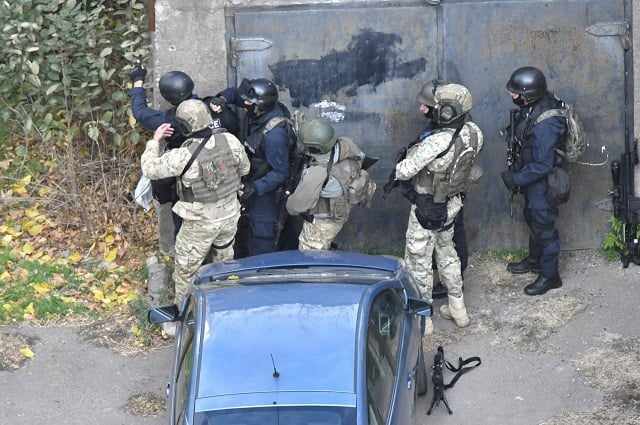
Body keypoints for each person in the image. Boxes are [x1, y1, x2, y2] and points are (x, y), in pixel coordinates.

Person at [140, 99, 250, 309]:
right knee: (224, 265)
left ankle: (185, 316)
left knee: (185, 271)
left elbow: (150, 168)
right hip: (229, 216)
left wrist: (154, 141)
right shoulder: (230, 140)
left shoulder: (184, 154)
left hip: (200, 223)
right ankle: (224, 305)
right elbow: (245, 168)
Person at [395, 80, 483, 334]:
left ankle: (424, 320)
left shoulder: (436, 142)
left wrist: (412, 155)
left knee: (418, 260)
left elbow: (403, 171)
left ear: (446, 112)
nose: (425, 110)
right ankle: (458, 308)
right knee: (447, 252)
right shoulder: (475, 132)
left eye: (431, 107)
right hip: (452, 203)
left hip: (427, 206)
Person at [128, 63, 239, 255]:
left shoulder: (170, 121)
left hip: (191, 182)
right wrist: (222, 99)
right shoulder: (215, 107)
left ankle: (186, 256)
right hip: (224, 181)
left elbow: (140, 112)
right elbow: (235, 124)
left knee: (185, 225)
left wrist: (138, 80)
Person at [209, 77, 301, 257]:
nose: (243, 105)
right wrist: (223, 99)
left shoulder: (275, 135)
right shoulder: (258, 109)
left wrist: (255, 188)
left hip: (267, 192)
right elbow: (236, 94)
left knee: (262, 242)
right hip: (252, 181)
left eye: (248, 103)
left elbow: (281, 173)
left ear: (259, 107)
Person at [501, 66, 567, 296]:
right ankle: (535, 260)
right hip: (533, 177)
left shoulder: (546, 124)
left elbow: (543, 164)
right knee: (532, 217)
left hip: (544, 181)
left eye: (516, 93)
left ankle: (550, 277)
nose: (512, 96)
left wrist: (515, 178)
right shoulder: (533, 107)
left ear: (529, 94)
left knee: (544, 226)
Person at [285, 119, 376, 250]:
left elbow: (296, 207)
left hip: (324, 222)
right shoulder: (346, 145)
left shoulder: (317, 172)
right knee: (325, 244)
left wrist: (287, 200)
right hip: (342, 209)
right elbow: (362, 160)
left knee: (311, 257)